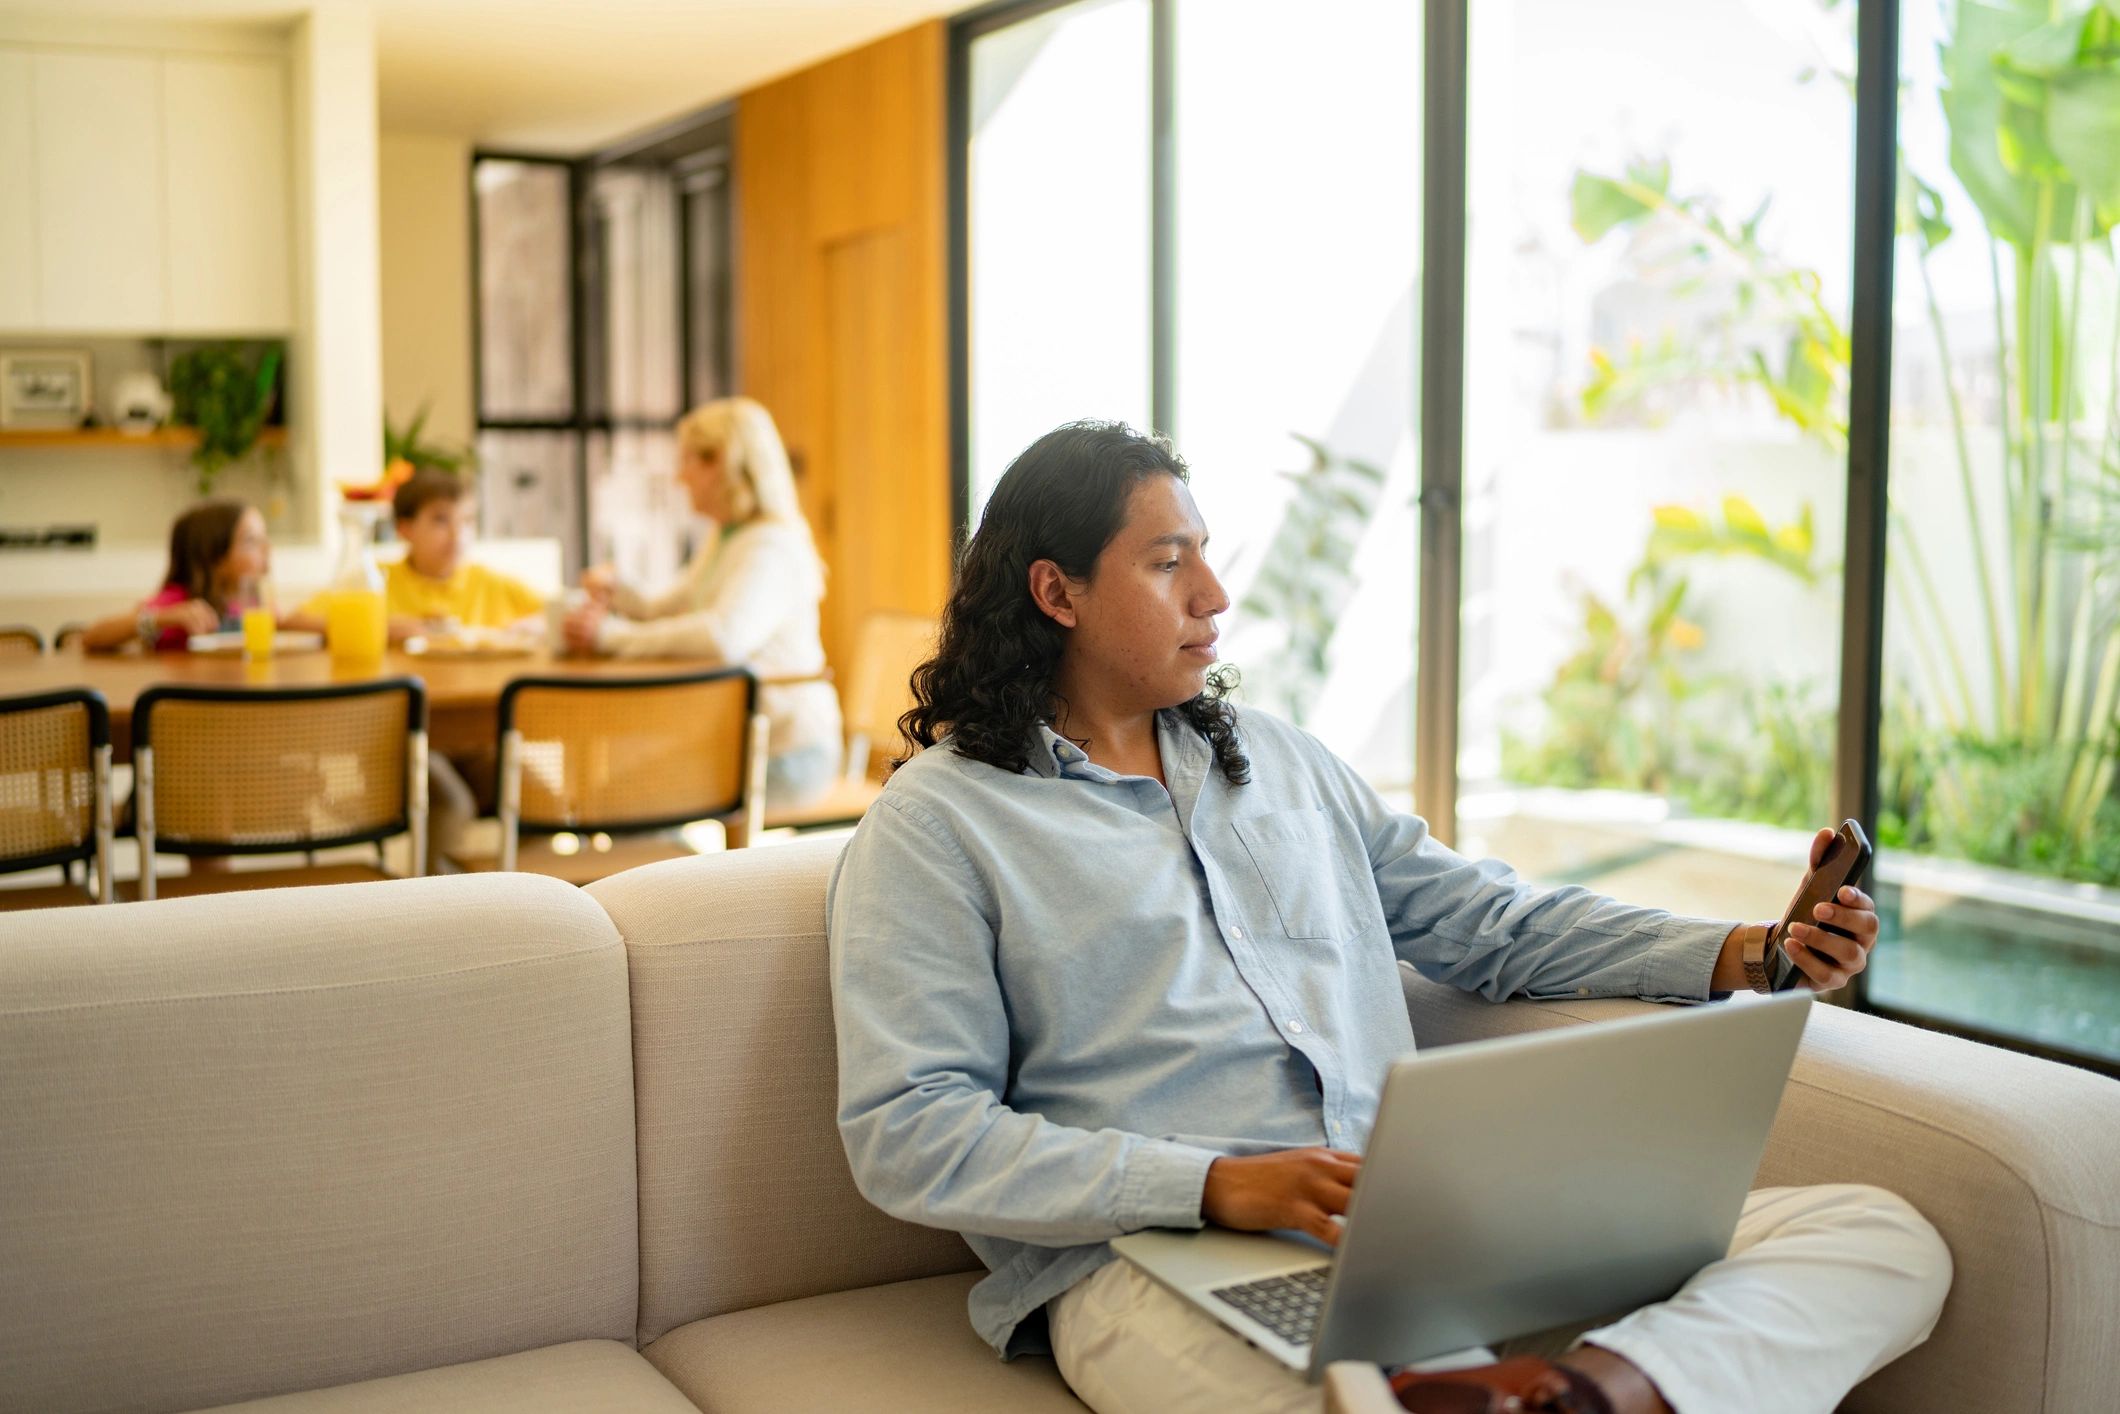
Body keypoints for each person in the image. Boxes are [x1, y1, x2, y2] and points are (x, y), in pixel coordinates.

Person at [826, 422, 1951, 1414]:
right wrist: (1215, 1182)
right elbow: (910, 1129)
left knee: (1877, 1238)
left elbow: (1490, 922)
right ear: (1056, 593)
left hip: (1424, 1232)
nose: (1214, 594)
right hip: (1150, 1262)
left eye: (1206, 554)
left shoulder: (1281, 763)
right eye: (1169, 563)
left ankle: (1601, 1390)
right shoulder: (938, 826)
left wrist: (1745, 952)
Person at [563, 396, 841, 812]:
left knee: (619, 798)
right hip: (738, 740)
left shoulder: (770, 545)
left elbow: (721, 637)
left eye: (688, 461)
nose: (679, 477)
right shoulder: (728, 535)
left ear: (722, 464)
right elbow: (669, 605)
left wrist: (611, 637)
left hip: (786, 753)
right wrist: (618, 588)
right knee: (615, 793)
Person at [79, 500, 274, 652]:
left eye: (264, 538)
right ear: (215, 556)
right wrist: (161, 619)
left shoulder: (251, 602)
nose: (266, 548)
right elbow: (92, 637)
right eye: (251, 541)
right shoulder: (179, 601)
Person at [378, 468, 543, 641]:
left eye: (467, 520)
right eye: (440, 520)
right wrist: (379, 629)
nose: (457, 534)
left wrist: (535, 625)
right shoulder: (376, 581)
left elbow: (554, 614)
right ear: (405, 529)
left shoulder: (492, 583)